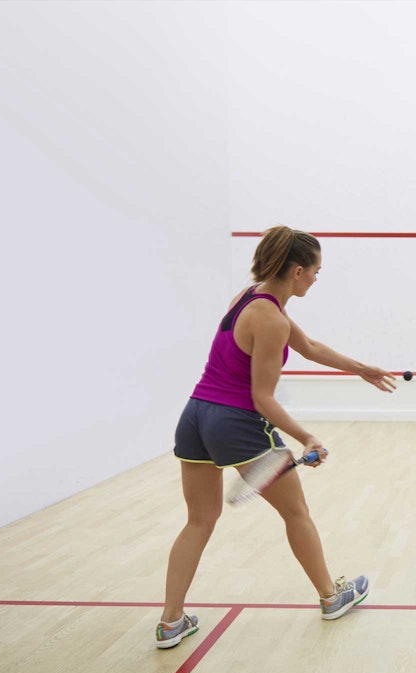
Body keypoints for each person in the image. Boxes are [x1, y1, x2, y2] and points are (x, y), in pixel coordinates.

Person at [155, 226, 396, 649]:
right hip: (236, 425)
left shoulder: (251, 299)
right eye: (316, 271)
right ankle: (331, 597)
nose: (316, 279)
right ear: (297, 271)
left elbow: (310, 346)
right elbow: (262, 398)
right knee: (296, 512)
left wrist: (361, 368)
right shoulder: (271, 320)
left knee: (199, 520)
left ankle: (171, 622)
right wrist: (307, 437)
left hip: (195, 417)